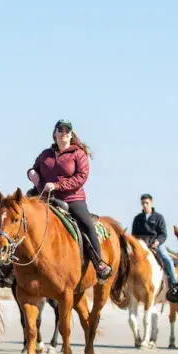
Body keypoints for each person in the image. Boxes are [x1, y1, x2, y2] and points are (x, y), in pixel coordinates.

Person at [26, 119, 112, 283]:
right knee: (21, 218)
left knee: (87, 226)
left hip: (72, 198)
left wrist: (57, 186)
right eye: (60, 130)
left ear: (71, 134)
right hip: (45, 198)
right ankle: (9, 268)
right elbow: (34, 169)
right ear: (55, 133)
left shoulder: (78, 154)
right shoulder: (46, 154)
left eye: (67, 130)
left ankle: (99, 264)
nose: (64, 133)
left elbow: (81, 177)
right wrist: (31, 174)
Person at [131, 194, 178, 296]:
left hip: (155, 244)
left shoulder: (158, 217)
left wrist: (157, 242)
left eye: (146, 203)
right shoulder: (137, 219)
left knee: (167, 259)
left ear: (151, 203)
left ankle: (174, 285)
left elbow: (163, 234)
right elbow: (133, 235)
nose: (144, 205)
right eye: (143, 203)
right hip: (141, 244)